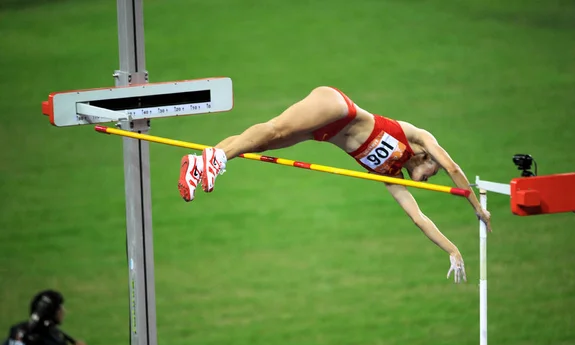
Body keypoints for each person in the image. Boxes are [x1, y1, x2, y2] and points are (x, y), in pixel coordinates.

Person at [178, 86, 492, 283]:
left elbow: (417, 217)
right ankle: (216, 160)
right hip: (337, 109)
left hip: (324, 133)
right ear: (429, 161)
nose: (430, 179)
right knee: (275, 128)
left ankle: (199, 165)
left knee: (262, 144)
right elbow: (454, 167)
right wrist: (477, 207)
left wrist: (452, 250)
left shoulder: (390, 173)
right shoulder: (418, 137)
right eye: (432, 173)